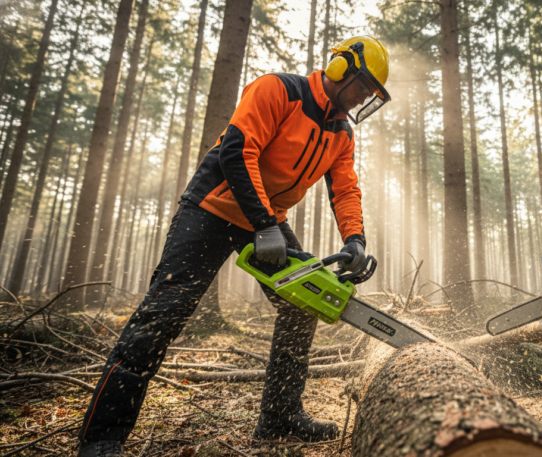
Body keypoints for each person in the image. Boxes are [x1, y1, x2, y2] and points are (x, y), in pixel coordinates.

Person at [76, 35, 391, 457]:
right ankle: (102, 438)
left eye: (370, 94)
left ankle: (280, 415)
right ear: (340, 69)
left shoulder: (341, 134)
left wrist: (355, 238)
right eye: (361, 87)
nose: (360, 99)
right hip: (211, 208)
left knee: (302, 304)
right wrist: (264, 224)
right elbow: (238, 151)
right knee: (162, 315)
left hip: (266, 222)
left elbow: (345, 189)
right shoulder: (279, 90)